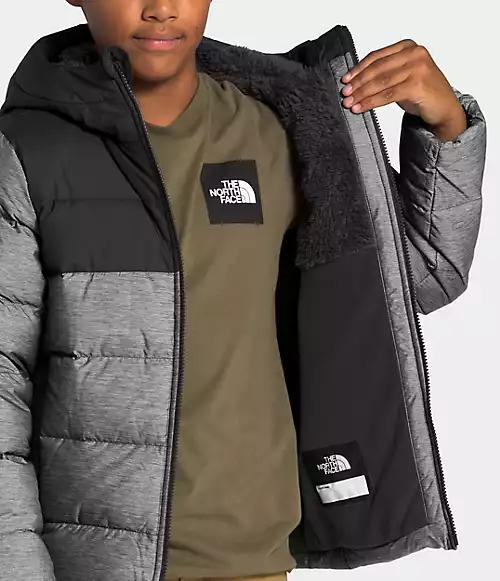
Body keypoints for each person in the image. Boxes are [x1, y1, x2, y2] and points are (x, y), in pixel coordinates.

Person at [0, 1, 486, 580]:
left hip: (259, 562)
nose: (161, 8)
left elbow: (417, 281)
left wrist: (446, 128)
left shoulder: (282, 128)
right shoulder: (26, 153)